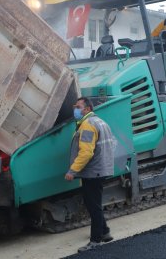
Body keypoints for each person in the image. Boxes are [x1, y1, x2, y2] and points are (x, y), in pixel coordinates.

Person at [65, 97, 116, 252]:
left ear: (87, 109)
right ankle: (105, 232)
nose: (75, 109)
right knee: (95, 203)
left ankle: (95, 240)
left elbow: (86, 153)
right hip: (101, 169)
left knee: (93, 206)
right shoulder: (100, 121)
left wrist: (72, 171)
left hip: (93, 172)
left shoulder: (87, 125)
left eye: (78, 106)